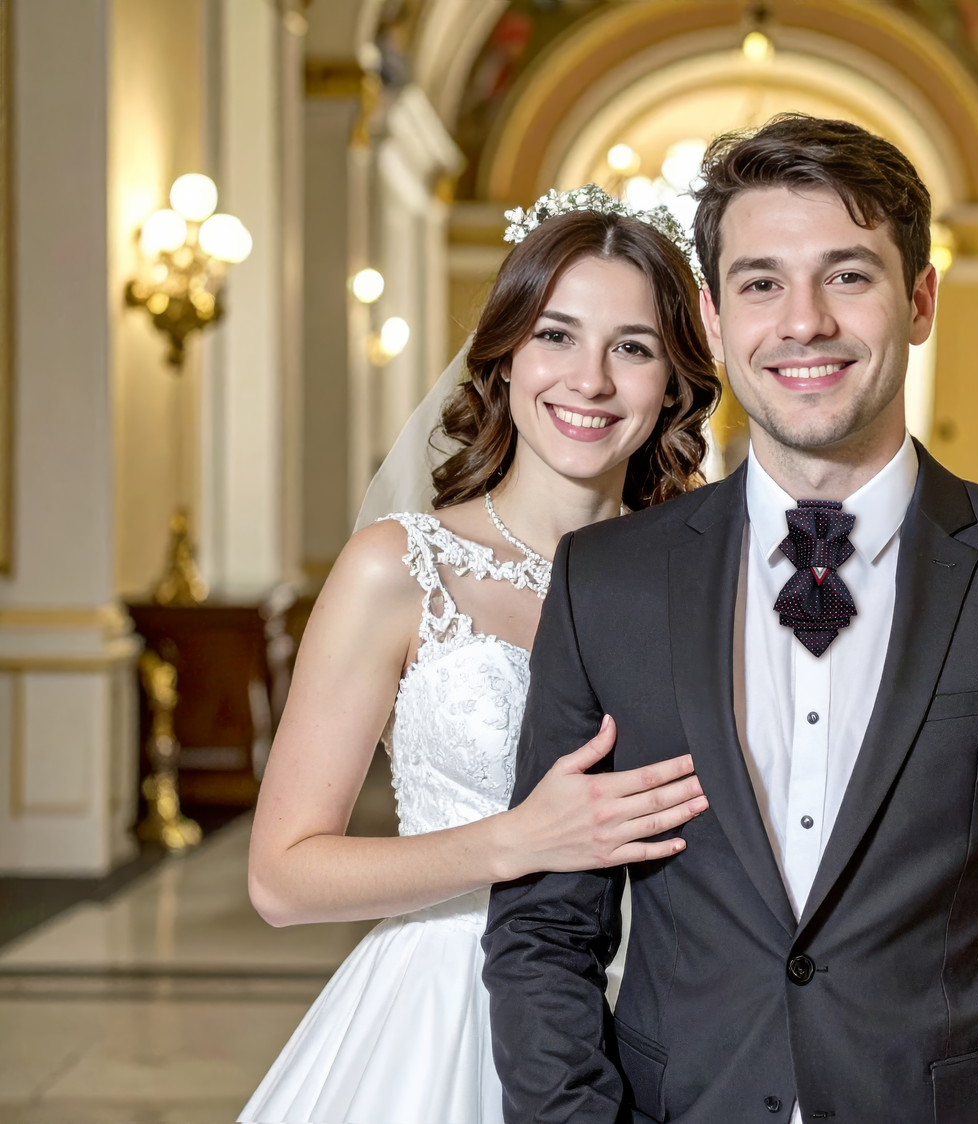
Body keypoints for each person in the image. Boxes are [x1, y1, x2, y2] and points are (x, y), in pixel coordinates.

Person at [484, 115, 978, 1124]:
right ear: (714, 319)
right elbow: (543, 932)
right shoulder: (609, 581)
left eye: (847, 276)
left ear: (918, 300)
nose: (802, 321)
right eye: (760, 281)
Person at [240, 190, 721, 1124]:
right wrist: (517, 843)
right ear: (501, 359)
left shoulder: (700, 583)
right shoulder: (399, 567)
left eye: (631, 346)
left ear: (673, 380)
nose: (588, 379)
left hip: (666, 1019)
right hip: (446, 1011)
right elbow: (280, 877)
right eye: (556, 335)